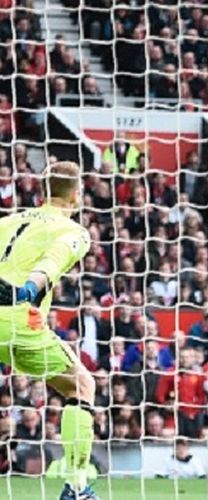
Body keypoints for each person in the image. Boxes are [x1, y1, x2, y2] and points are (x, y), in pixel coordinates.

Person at [0, 162, 97, 499]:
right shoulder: (73, 231)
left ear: (43, 190)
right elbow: (50, 264)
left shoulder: (8, 220)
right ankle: (77, 488)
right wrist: (25, 289)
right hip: (18, 322)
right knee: (81, 384)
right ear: (78, 194)